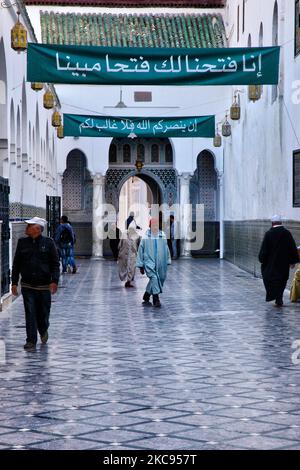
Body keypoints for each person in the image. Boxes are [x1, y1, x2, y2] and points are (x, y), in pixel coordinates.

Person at [11, 217, 60, 350]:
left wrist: (55, 281)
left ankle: (43, 329)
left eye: (29, 226)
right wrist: (14, 282)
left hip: (44, 287)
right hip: (28, 286)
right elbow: (16, 264)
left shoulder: (49, 243)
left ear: (37, 229)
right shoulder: (22, 243)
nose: (26, 228)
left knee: (43, 313)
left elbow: (55, 264)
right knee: (30, 312)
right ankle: (31, 340)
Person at [259, 215, 299, 307]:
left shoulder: (268, 234)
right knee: (282, 280)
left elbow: (264, 250)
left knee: (270, 279)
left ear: (272, 223)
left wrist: (261, 259)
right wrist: (293, 261)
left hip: (270, 264)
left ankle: (275, 296)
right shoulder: (287, 233)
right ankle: (279, 297)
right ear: (281, 223)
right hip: (283, 264)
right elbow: (292, 248)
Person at [136, 218, 171, 308]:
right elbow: (140, 251)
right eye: (153, 225)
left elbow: (166, 248)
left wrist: (167, 260)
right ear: (150, 225)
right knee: (154, 278)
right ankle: (156, 299)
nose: (155, 227)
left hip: (161, 262)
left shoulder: (162, 235)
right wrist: (141, 265)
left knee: (161, 278)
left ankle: (147, 293)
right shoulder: (145, 237)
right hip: (149, 262)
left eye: (156, 225)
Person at [118, 222, 140, 287]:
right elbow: (120, 244)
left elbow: (138, 245)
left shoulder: (137, 236)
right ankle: (125, 279)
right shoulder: (124, 235)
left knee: (132, 268)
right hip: (124, 254)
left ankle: (129, 281)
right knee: (123, 267)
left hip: (133, 255)